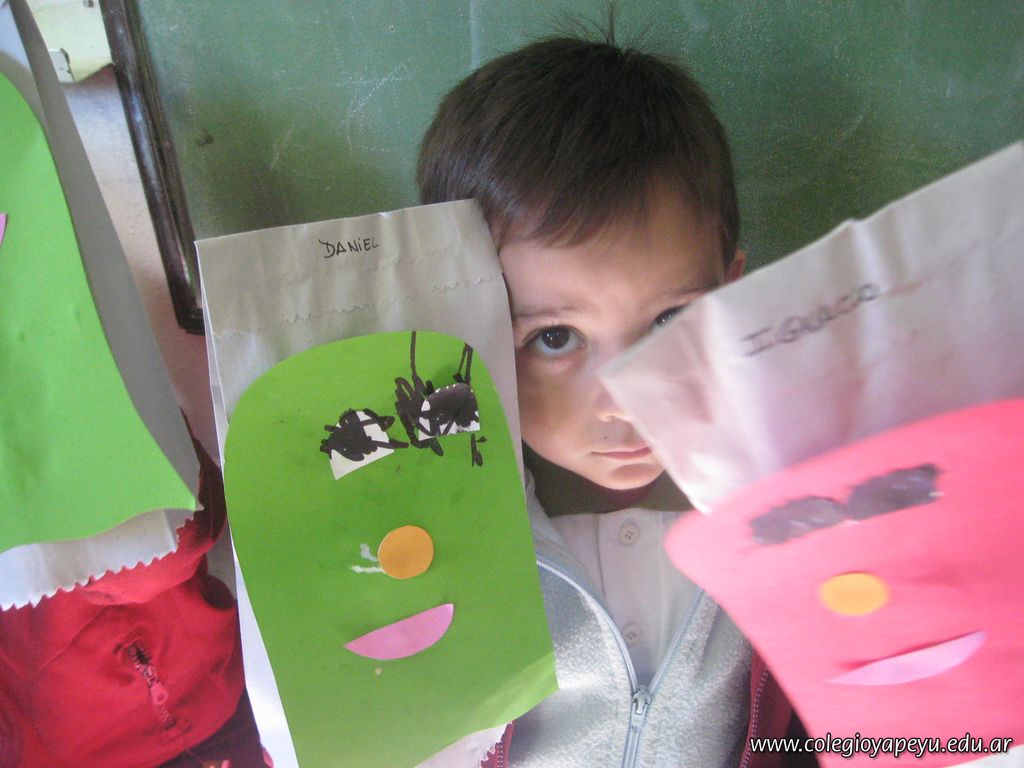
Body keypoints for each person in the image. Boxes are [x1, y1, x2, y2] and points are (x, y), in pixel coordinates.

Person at [418, 31, 810, 768]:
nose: (626, 404)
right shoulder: (432, 528)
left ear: (730, 293)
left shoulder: (787, 500)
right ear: (465, 327)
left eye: (670, 321)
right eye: (555, 338)